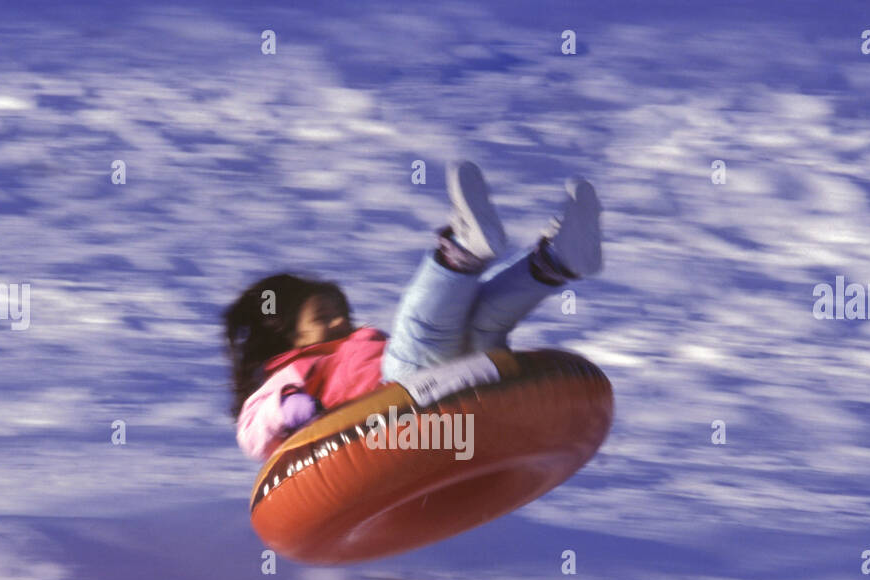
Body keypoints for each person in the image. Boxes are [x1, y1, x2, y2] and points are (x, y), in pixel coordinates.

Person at [223, 161, 602, 461]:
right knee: (420, 328)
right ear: (290, 335)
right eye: (323, 317)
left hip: (460, 386)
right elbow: (252, 425)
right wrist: (288, 407)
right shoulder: (290, 372)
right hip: (395, 405)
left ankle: (557, 260)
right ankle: (461, 251)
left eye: (342, 312)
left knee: (485, 319)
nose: (340, 321)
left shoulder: (356, 345)